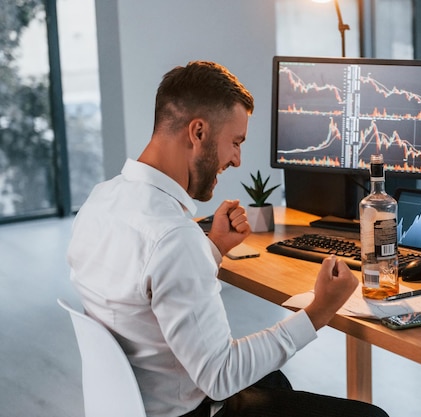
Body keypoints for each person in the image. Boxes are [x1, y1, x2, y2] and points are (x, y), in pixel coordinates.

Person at [67, 61, 389, 417]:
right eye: (235, 142)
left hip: (135, 402)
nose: (236, 159)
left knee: (274, 381)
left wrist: (213, 247)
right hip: (188, 411)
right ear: (199, 132)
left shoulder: (101, 200)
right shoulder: (174, 236)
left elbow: (145, 283)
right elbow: (220, 376)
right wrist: (319, 310)